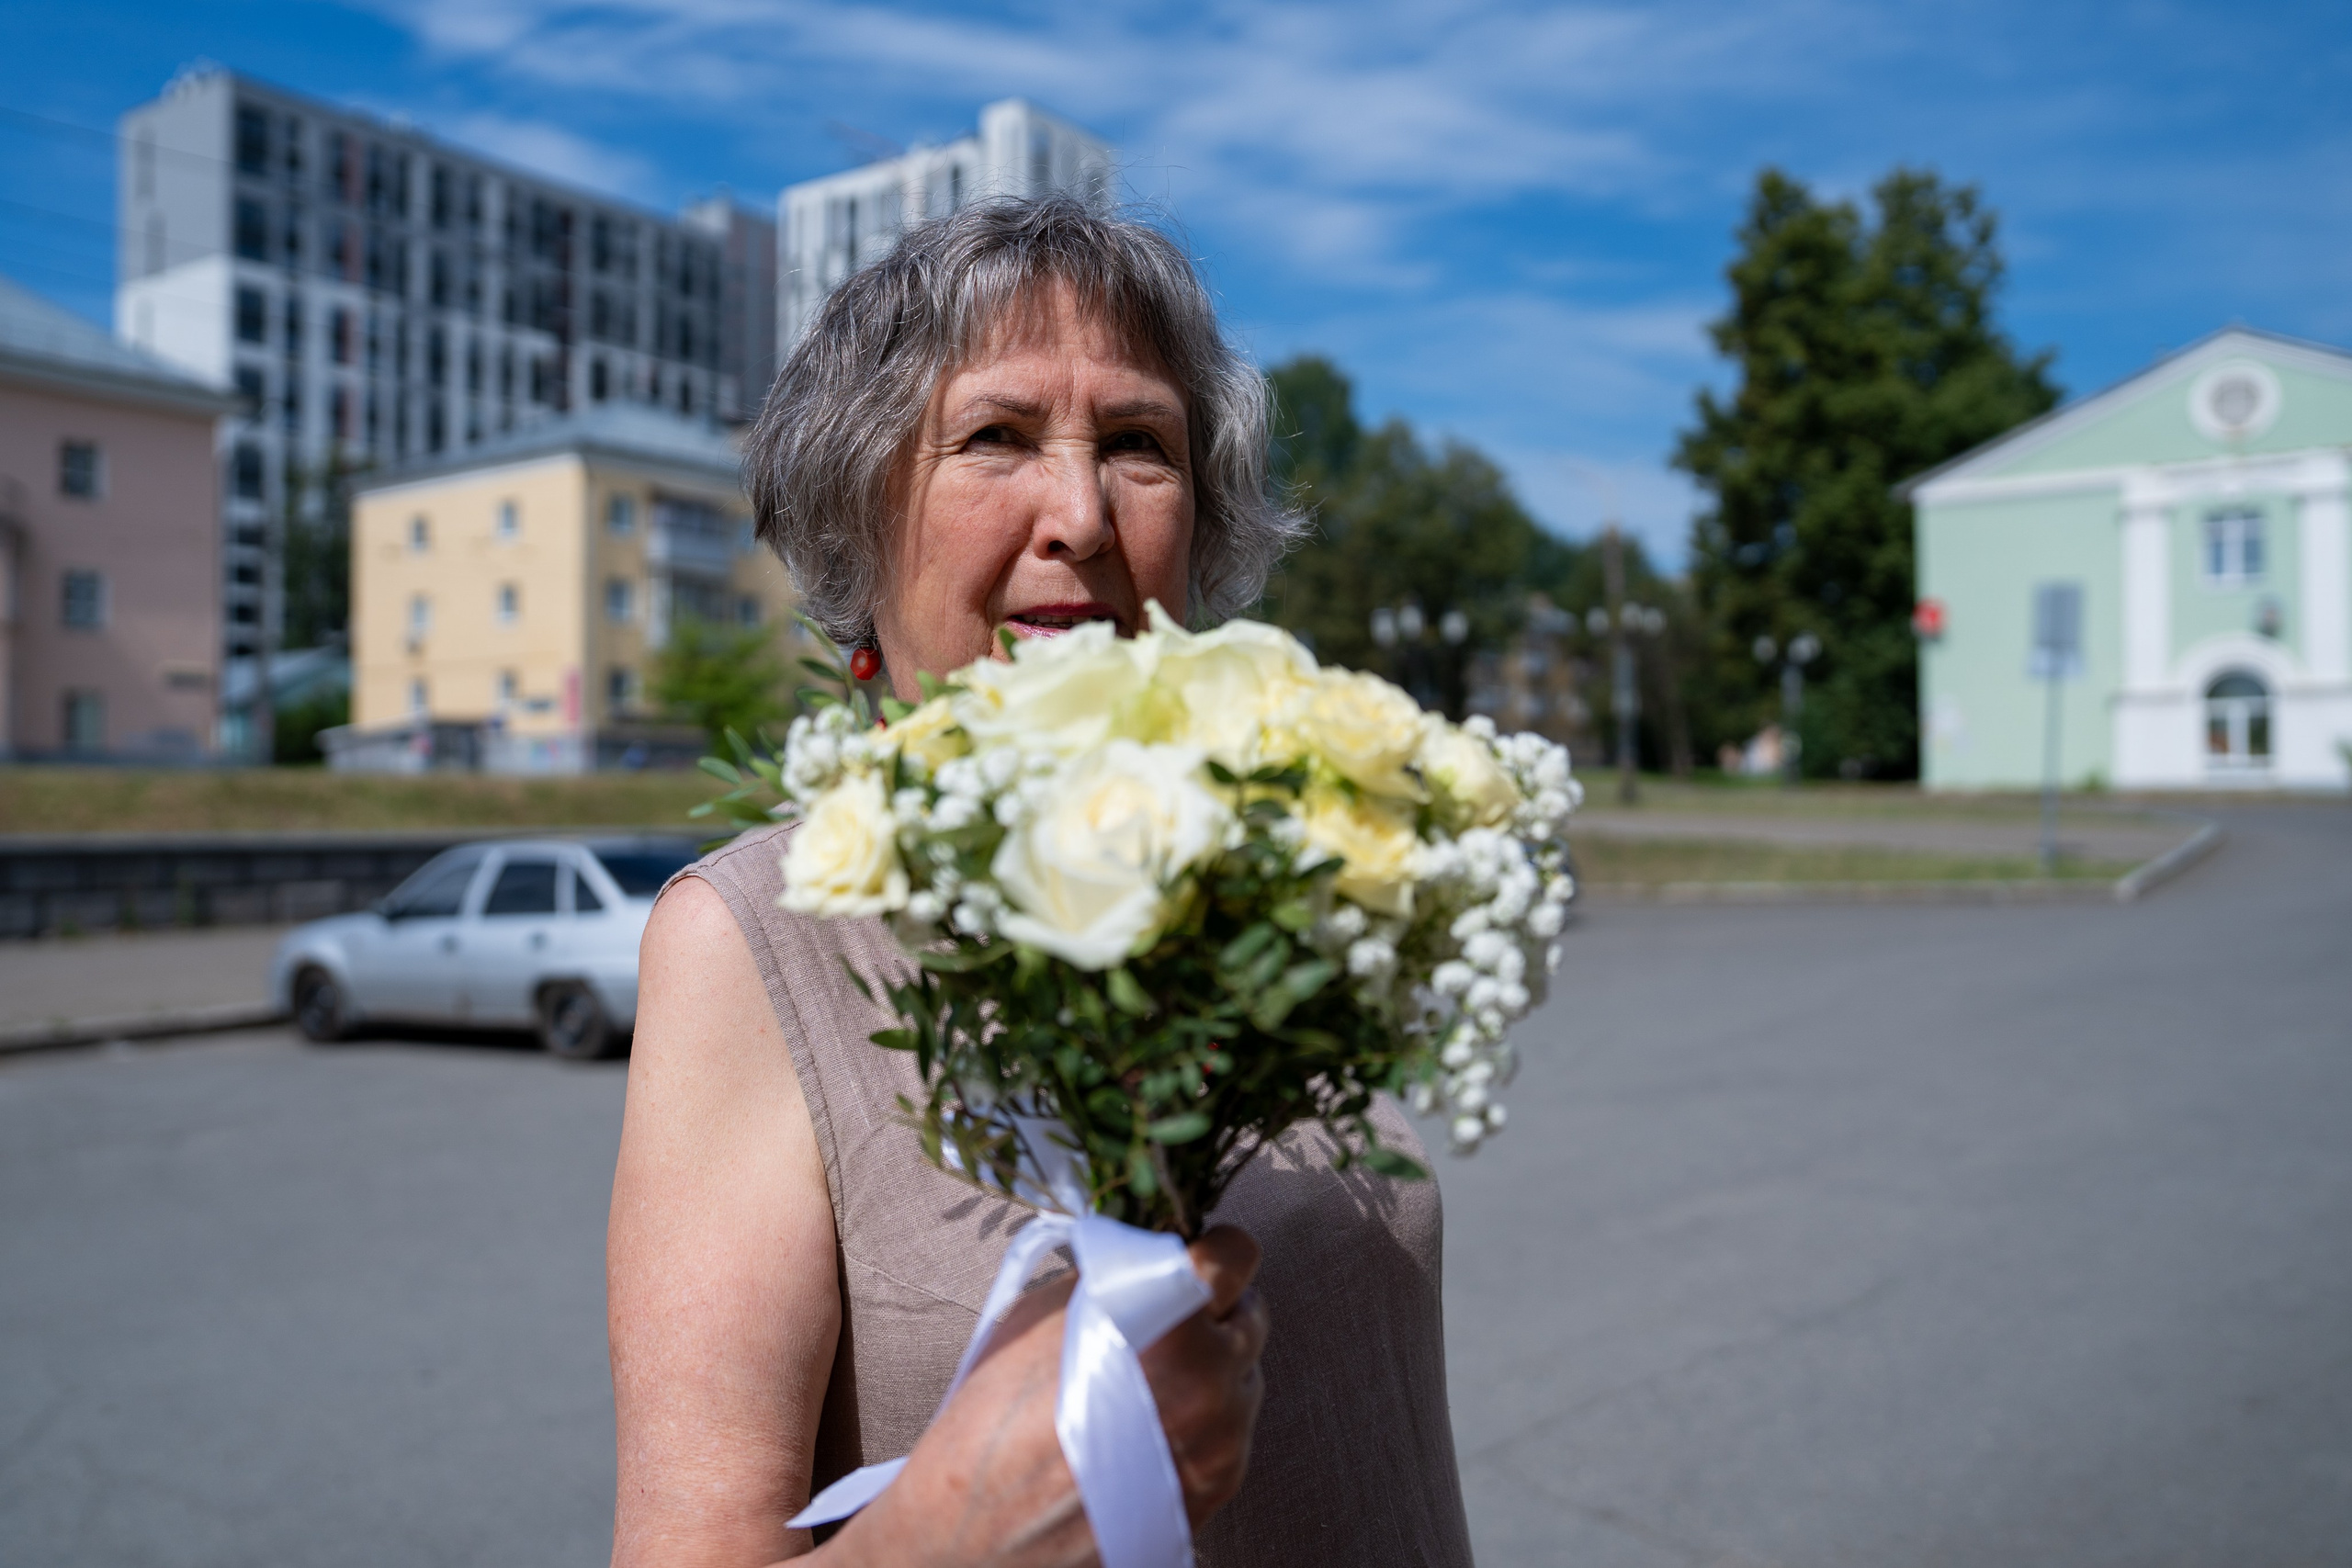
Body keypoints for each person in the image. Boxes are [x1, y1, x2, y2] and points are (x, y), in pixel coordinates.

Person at [608, 196, 1474, 1568]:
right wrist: (943, 1537)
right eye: (996, 438)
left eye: (1139, 446)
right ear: (858, 525)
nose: (1078, 513)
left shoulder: (1290, 880)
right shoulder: (757, 941)